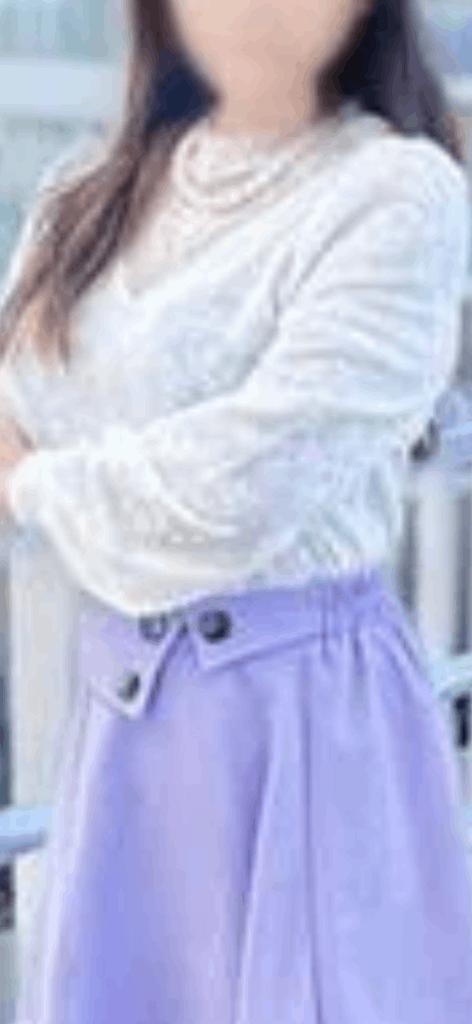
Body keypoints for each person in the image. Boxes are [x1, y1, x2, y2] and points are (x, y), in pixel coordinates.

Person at [0, 0, 472, 1021]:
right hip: (118, 732)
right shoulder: (88, 192)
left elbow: (243, 488)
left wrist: (35, 480)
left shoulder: (396, 192)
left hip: (300, 719)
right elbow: (13, 394)